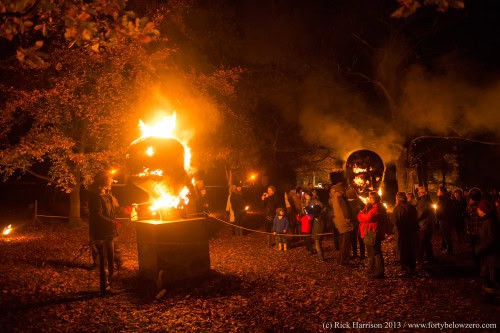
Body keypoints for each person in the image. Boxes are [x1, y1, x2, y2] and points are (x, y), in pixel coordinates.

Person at [88, 170, 120, 294]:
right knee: (104, 261)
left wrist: (127, 209)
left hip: (110, 232)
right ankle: (104, 287)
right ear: (103, 180)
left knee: (111, 260)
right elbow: (97, 215)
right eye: (109, 179)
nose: (111, 181)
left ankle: (110, 285)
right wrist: (111, 222)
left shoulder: (107, 194)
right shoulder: (96, 196)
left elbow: (111, 212)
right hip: (101, 233)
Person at [358, 191, 388, 279]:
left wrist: (361, 215)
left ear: (375, 199)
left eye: (370, 197)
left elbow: (368, 218)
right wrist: (363, 213)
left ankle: (379, 272)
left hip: (374, 232)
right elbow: (361, 217)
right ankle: (373, 269)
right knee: (372, 252)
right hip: (370, 232)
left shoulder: (377, 208)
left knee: (376, 252)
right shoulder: (371, 207)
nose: (369, 199)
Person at [474, 199, 499, 300]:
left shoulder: (489, 222)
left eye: (479, 209)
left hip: (492, 255)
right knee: (488, 276)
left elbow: (491, 239)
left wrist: (479, 248)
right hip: (488, 255)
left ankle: (494, 295)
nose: (477, 211)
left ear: (483, 210)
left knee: (494, 277)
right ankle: (490, 295)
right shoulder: (486, 220)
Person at [392, 192, 419, 277]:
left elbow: (395, 221)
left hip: (401, 233)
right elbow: (416, 219)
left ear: (398, 198)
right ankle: (412, 268)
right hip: (411, 233)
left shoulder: (397, 209)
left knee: (402, 250)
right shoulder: (411, 207)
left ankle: (404, 269)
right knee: (411, 249)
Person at [331, 183, 354, 265]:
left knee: (343, 243)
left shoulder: (335, 197)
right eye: (344, 188)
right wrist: (349, 218)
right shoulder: (340, 197)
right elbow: (345, 211)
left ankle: (340, 259)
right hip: (345, 223)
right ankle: (344, 260)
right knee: (346, 243)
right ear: (341, 188)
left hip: (340, 222)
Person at [416, 186, 435, 266]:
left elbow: (421, 213)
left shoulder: (423, 201)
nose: (418, 194)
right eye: (418, 192)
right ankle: (430, 258)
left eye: (420, 192)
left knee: (423, 242)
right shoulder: (428, 200)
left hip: (424, 225)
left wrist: (415, 220)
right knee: (427, 242)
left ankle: (425, 260)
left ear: (423, 193)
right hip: (428, 224)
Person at [346, 188, 365, 260]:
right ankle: (362, 254)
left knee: (353, 239)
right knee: (361, 239)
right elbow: (364, 210)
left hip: (352, 223)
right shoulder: (359, 202)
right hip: (360, 223)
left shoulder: (346, 203)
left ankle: (354, 254)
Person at [436, 186, 454, 255]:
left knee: (447, 234)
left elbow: (445, 210)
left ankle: (450, 250)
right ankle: (445, 247)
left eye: (438, 191)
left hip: (445, 220)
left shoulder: (445, 200)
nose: (437, 192)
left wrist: (440, 215)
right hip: (442, 219)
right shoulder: (441, 199)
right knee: (444, 234)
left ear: (442, 192)